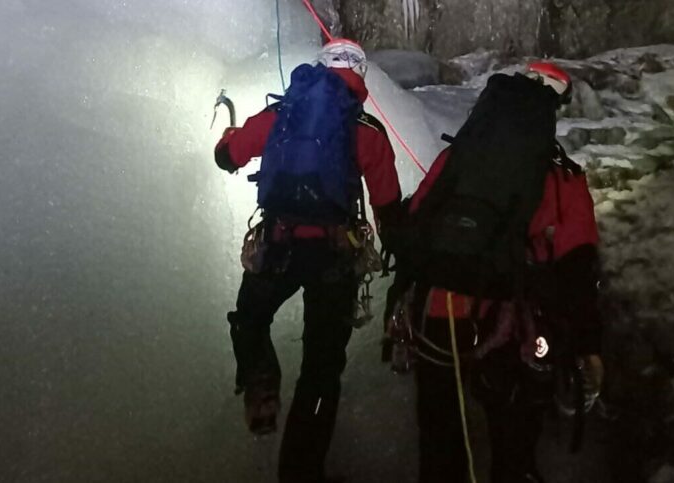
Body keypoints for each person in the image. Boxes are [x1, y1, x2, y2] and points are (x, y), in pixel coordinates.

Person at [395, 62, 604, 483]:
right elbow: (578, 264)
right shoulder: (561, 176)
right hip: (509, 325)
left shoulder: (455, 159)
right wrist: (588, 344)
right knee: (512, 439)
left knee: (440, 440)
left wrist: (398, 301)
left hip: (437, 316)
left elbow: (415, 228)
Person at [214, 38, 402, 483]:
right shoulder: (366, 130)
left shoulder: (281, 114)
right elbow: (390, 208)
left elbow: (228, 157)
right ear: (359, 77)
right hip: (334, 258)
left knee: (249, 318)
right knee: (321, 367)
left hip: (277, 247)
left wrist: (230, 139)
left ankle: (260, 383)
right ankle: (301, 468)